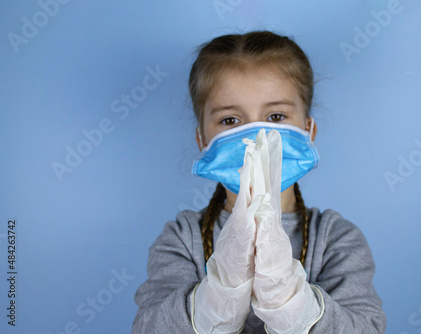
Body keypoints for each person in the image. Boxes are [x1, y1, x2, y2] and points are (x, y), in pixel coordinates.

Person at [132, 30, 386, 333]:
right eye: (230, 120)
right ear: (202, 139)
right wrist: (217, 295)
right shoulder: (182, 238)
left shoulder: (336, 239)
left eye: (276, 117)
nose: (256, 136)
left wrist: (291, 301)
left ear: (309, 130)